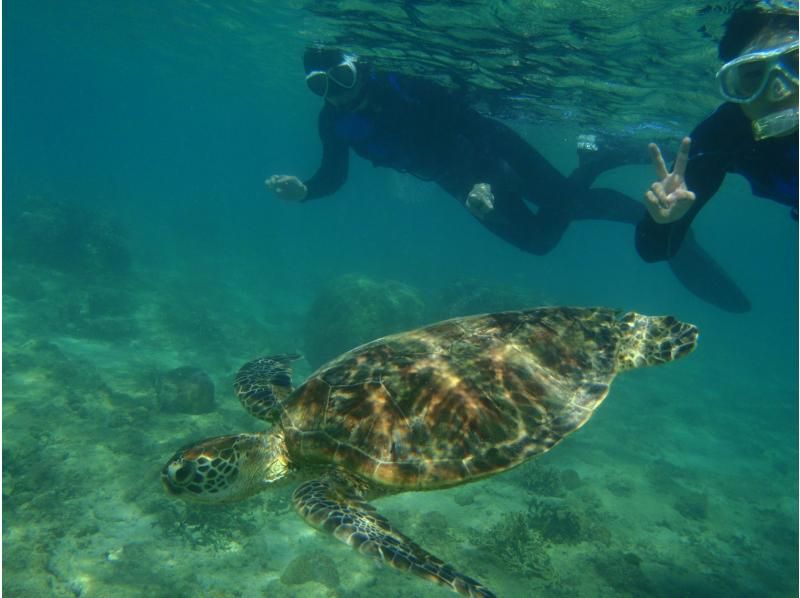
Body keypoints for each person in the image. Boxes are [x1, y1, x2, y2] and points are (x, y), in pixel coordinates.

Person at [267, 46, 750, 311]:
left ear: (361, 70)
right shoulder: (331, 122)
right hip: (458, 181)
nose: (335, 94)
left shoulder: (400, 86)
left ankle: (603, 163)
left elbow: (461, 116)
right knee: (544, 237)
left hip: (491, 150)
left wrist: (489, 176)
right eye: (320, 87)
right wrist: (307, 190)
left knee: (560, 201)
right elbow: (333, 174)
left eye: (342, 80)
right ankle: (628, 201)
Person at [637, 3, 798, 263]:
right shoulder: (722, 135)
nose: (780, 90)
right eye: (754, 74)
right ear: (734, 87)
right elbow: (652, 251)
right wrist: (662, 220)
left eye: (796, 64)